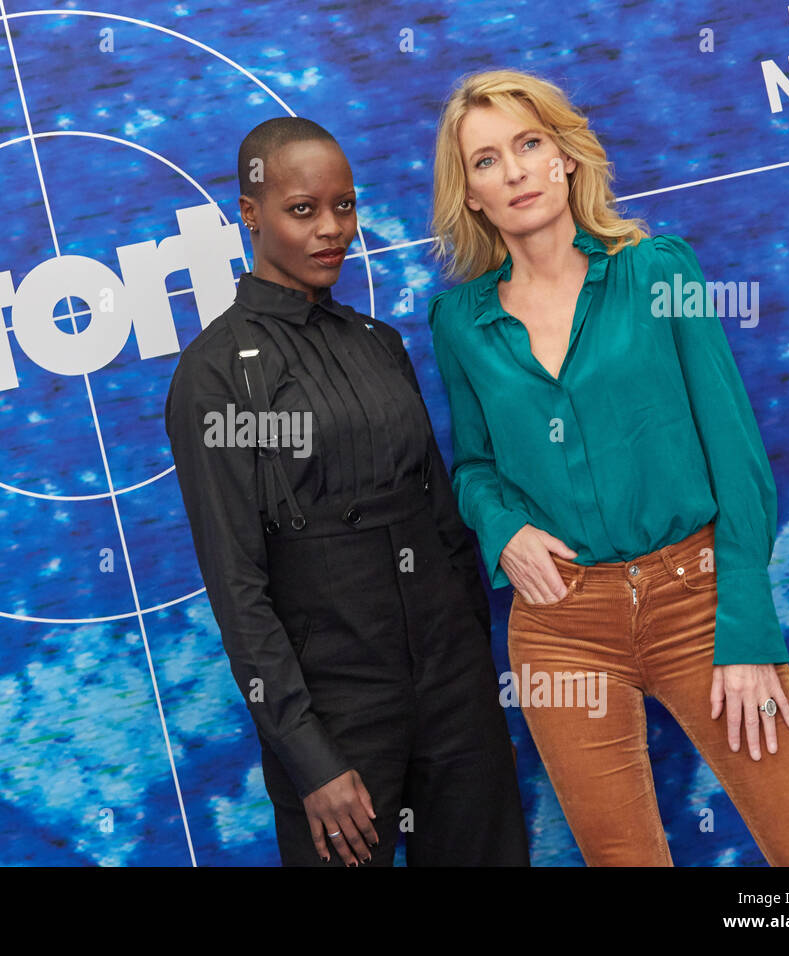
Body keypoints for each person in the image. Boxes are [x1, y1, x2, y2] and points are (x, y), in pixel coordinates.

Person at [426, 68, 789, 866]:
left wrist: (745, 631)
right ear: (473, 196)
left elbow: (738, 461)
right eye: (487, 161)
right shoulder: (460, 321)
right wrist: (502, 528)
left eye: (529, 144)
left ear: (566, 157)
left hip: (699, 602)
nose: (516, 170)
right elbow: (474, 468)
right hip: (562, 627)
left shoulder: (662, 273)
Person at [164, 116, 529, 867]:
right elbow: (237, 586)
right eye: (303, 210)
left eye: (345, 206)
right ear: (250, 213)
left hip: (456, 692)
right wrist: (311, 760)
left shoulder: (379, 342)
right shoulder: (214, 377)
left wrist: (467, 660)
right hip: (335, 711)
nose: (333, 230)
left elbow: (440, 516)